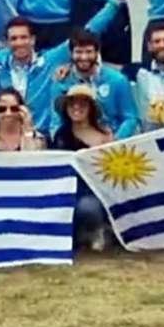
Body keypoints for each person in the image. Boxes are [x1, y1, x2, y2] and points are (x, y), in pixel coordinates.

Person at [0, 0, 126, 139]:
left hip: (41, 138)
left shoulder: (51, 60)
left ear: (33, 40)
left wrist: (116, 1)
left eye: (24, 37)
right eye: (14, 39)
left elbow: (89, 31)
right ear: (7, 42)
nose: (19, 43)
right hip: (6, 137)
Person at [51, 84, 116, 251]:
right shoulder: (61, 135)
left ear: (91, 108)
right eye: (72, 103)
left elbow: (111, 171)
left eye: (82, 103)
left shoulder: (105, 135)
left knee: (88, 208)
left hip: (94, 192)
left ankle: (99, 230)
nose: (76, 107)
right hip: (66, 191)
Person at [51, 29, 140, 139]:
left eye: (89, 52)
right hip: (75, 143)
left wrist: (115, 141)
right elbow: (56, 122)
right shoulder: (61, 81)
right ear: (71, 54)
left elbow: (130, 118)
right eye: (78, 52)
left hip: (112, 140)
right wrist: (62, 142)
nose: (84, 57)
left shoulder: (117, 80)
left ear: (97, 53)